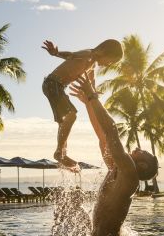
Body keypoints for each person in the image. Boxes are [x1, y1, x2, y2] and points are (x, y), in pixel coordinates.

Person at [69, 76, 159, 236]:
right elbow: (103, 137)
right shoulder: (119, 170)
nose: (137, 147)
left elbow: (112, 130)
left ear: (142, 166)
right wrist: (88, 104)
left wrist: (93, 96)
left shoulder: (130, 175)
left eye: (143, 152)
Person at [42, 39, 123, 171]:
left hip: (56, 87)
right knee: (71, 115)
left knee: (64, 122)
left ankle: (62, 154)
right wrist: (56, 53)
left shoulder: (91, 66)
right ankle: (59, 152)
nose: (109, 65)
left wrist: (94, 94)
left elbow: (91, 83)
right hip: (53, 84)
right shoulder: (88, 55)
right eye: (111, 61)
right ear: (103, 51)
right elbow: (70, 55)